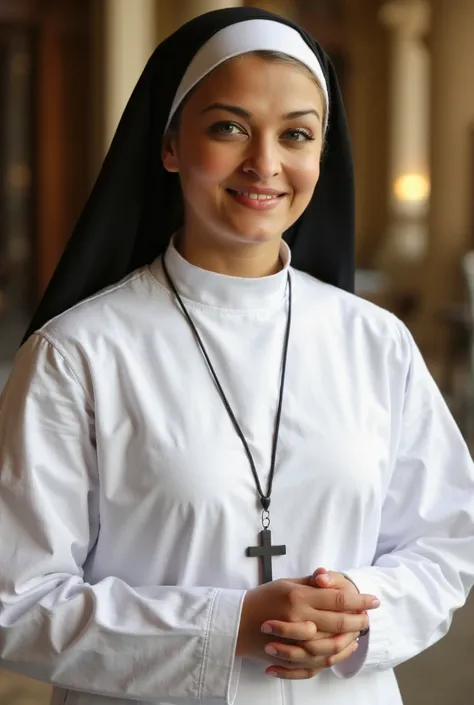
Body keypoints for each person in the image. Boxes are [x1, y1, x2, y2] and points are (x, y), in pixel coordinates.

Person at [0, 6, 473, 705]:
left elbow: (446, 541)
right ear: (169, 145)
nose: (265, 164)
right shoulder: (78, 354)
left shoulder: (376, 343)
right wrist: (233, 626)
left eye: (297, 135)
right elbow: (17, 600)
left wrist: (357, 608)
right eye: (229, 127)